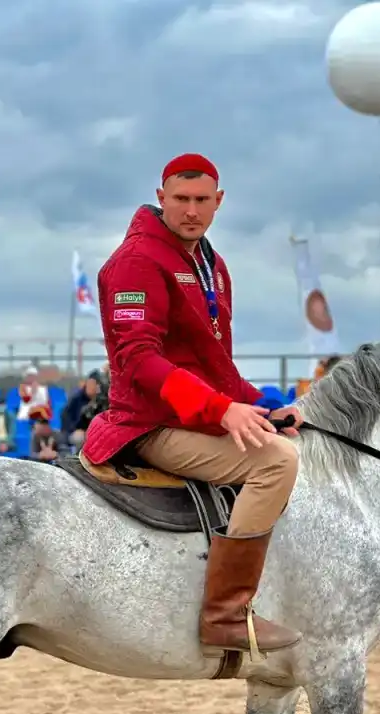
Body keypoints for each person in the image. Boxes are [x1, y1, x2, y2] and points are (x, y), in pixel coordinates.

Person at [81, 153, 303, 657]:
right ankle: (225, 613)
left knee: (286, 441)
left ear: (218, 202)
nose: (191, 210)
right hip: (147, 425)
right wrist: (223, 412)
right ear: (161, 198)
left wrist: (266, 405)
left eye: (202, 200)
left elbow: (215, 367)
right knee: (276, 461)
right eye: (180, 200)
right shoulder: (137, 260)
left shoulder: (211, 265)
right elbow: (138, 360)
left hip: (191, 417)